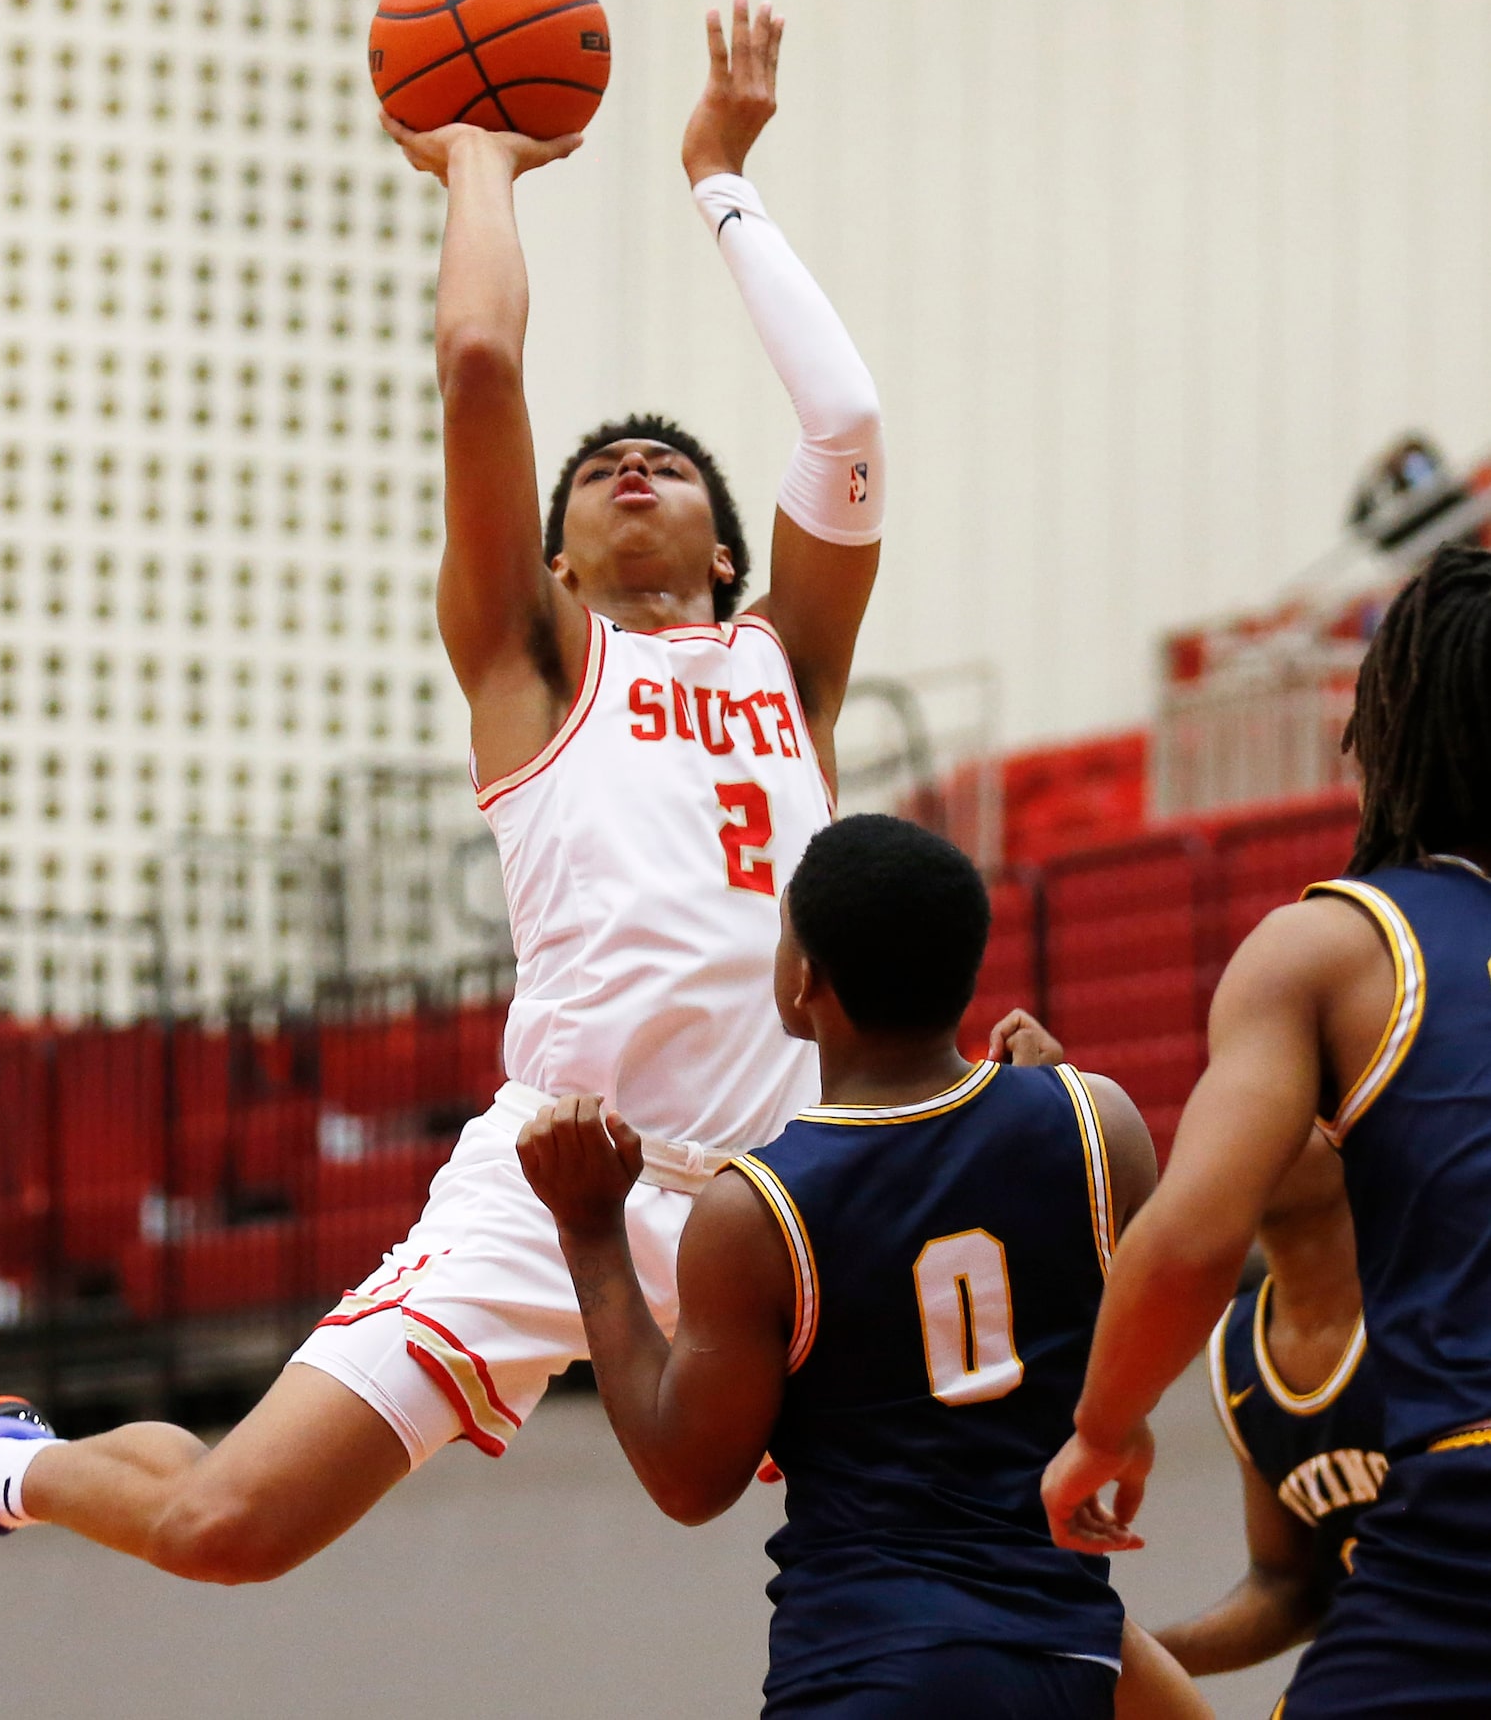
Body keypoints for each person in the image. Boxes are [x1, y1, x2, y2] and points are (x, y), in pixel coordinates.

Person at [0, 0, 891, 1602]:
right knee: (233, 1528)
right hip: (557, 1173)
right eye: (595, 469)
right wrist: (478, 163)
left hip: (781, 1193)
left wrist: (720, 174)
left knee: (995, 1538)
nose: (629, 459)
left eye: (667, 460)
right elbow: (478, 359)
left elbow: (843, 421)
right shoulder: (530, 658)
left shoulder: (793, 662)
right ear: (554, 559)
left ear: (727, 548)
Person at [519, 816, 1207, 1719]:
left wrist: (589, 1228)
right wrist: (1045, 1093)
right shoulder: (1099, 1123)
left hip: (868, 1664)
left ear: (805, 981)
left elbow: (686, 1479)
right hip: (1067, 1658)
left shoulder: (758, 1207)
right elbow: (1121, 1345)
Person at [1041, 542, 1491, 1717]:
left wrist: (1101, 1430)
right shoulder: (1258, 1350)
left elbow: (1188, 1235)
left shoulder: (1333, 949)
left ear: (1382, 738)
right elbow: (1281, 1586)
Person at [1154, 1128, 1385, 1685]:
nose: (1253, 1120)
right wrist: (1132, 1657)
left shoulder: (1438, 1299)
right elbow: (1289, 1584)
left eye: (1291, 1103)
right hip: (1376, 1672)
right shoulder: (1235, 1346)